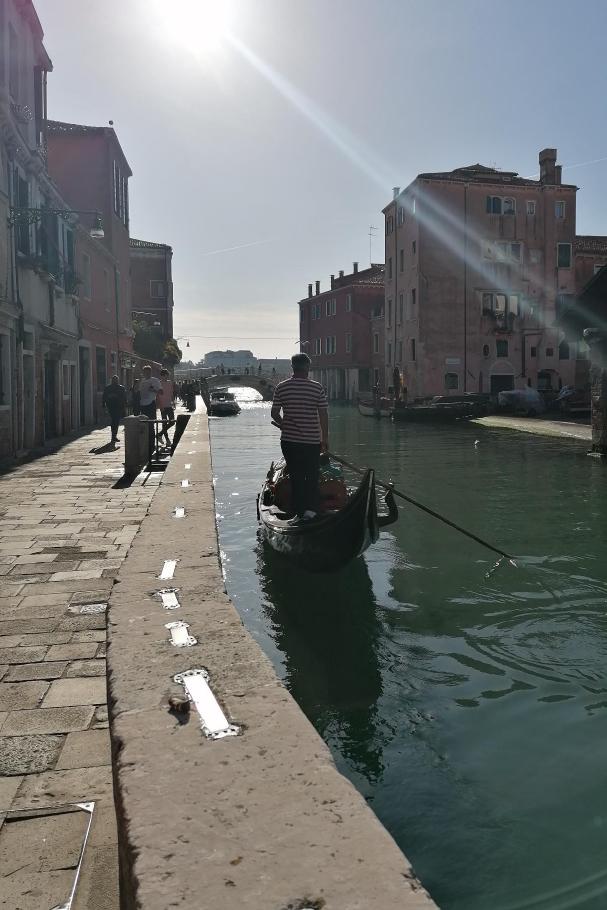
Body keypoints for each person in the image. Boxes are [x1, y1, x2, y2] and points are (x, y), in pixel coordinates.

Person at [270, 352, 328, 524]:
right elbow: (323, 415)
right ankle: (312, 512)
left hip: (289, 441)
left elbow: (274, 413)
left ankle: (299, 513)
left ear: (292, 367)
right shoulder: (317, 388)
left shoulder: (281, 387)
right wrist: (325, 439)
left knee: (296, 477)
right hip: (312, 441)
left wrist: (283, 424)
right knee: (311, 476)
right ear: (308, 367)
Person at [102, 375, 127, 444]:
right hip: (111, 407)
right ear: (112, 381)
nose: (115, 381)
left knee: (116, 421)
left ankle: (114, 436)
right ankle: (114, 436)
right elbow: (104, 397)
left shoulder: (121, 388)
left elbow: (124, 398)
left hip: (118, 407)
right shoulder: (108, 388)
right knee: (115, 421)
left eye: (116, 380)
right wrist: (104, 405)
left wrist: (124, 406)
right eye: (114, 380)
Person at [159, 368, 175, 446]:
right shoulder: (159, 383)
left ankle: (159, 434)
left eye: (167, 375)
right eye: (165, 375)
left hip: (169, 405)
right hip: (163, 406)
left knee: (172, 422)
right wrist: (160, 406)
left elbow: (171, 394)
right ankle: (167, 440)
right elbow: (158, 396)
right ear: (162, 376)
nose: (167, 377)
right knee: (164, 423)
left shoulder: (170, 383)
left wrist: (173, 403)